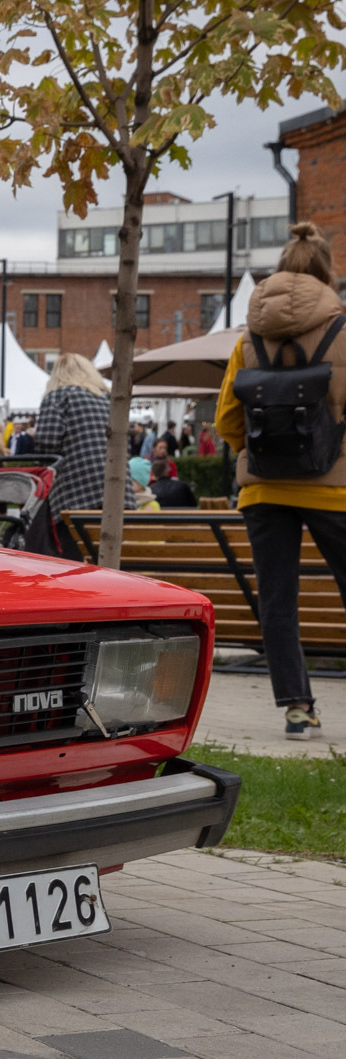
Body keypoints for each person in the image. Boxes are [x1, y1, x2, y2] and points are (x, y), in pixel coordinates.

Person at [216, 221, 346, 741]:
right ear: (327, 273)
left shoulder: (249, 339)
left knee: (277, 600)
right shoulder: (342, 332)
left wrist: (255, 453)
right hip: (335, 487)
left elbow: (227, 418)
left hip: (264, 489)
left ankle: (296, 708)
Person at [34, 352, 139, 558]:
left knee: (74, 560)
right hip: (118, 492)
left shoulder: (58, 396)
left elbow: (47, 443)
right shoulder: (109, 398)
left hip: (76, 495)